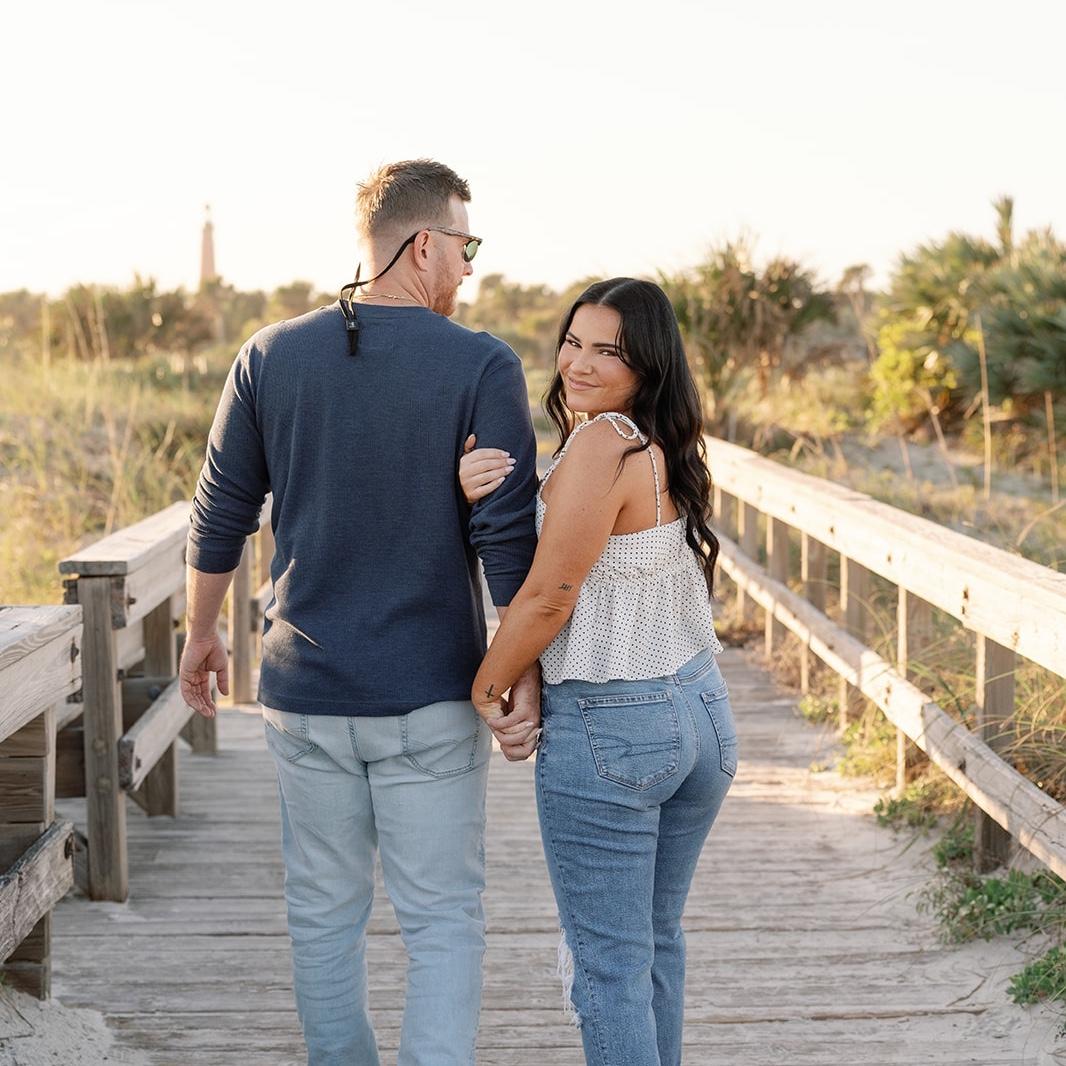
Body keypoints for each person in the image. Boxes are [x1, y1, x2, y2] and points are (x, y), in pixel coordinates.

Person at [178, 158, 541, 1066]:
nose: (471, 268)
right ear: (423, 246)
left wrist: (201, 632)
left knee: (322, 915)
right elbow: (506, 536)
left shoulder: (270, 354)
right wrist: (518, 672)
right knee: (442, 919)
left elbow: (220, 512)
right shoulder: (482, 364)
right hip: (429, 693)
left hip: (304, 694)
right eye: (466, 247)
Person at [460, 278, 736, 1066]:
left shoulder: (600, 443)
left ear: (647, 365)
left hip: (616, 728)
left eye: (607, 351)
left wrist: (487, 686)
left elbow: (551, 595)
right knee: (654, 941)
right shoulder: (651, 444)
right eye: (573, 342)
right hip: (700, 712)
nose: (578, 363)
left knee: (609, 968)